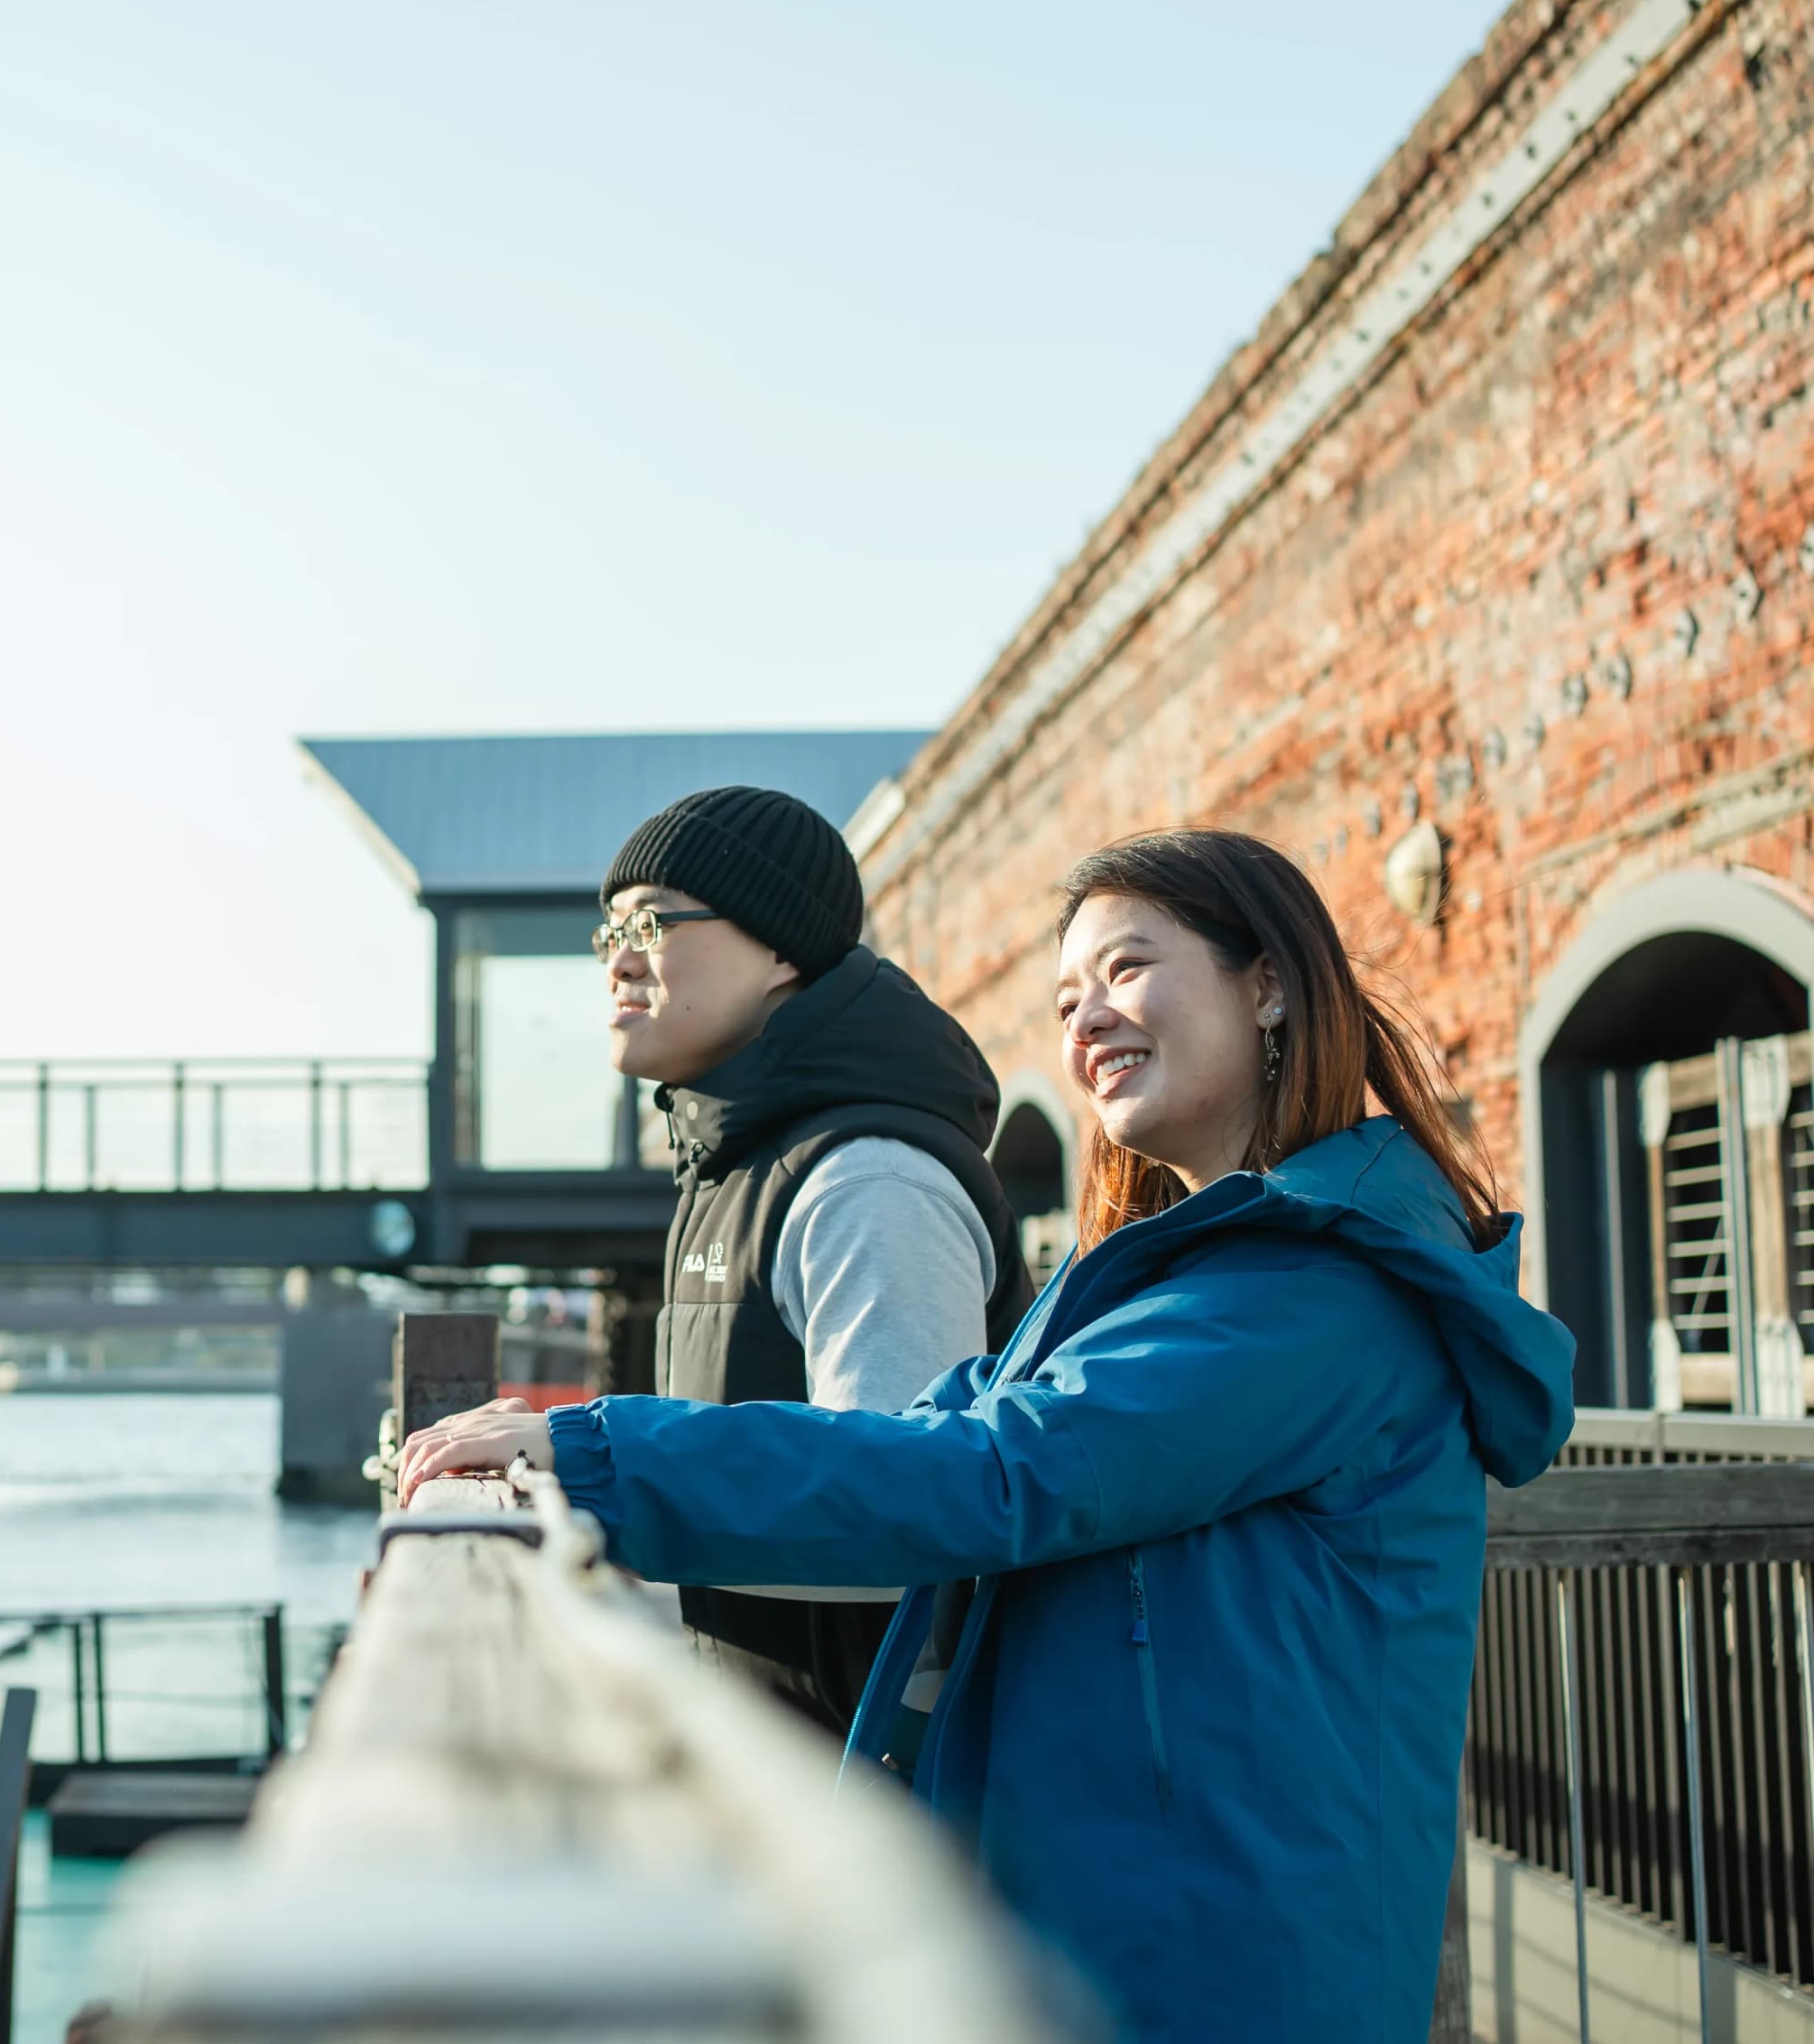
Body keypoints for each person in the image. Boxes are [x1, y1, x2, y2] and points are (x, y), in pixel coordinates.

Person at [403, 828, 1577, 2043]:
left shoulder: (1308, 1300)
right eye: (1068, 996)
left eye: (1128, 969)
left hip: (1225, 1957)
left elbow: (990, 1474)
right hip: (1131, 1929)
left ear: (1269, 984)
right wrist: (580, 1444)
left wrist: (595, 1453)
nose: (1087, 1021)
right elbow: (949, 1420)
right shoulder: (1185, 1281)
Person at [588, 783, 1036, 1732]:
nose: (619, 959)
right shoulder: (733, 1166)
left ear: (781, 948)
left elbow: (898, 1524)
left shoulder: (865, 1179)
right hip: (786, 1762)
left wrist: (595, 1468)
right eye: (608, 933)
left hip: (877, 1797)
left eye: (653, 924)